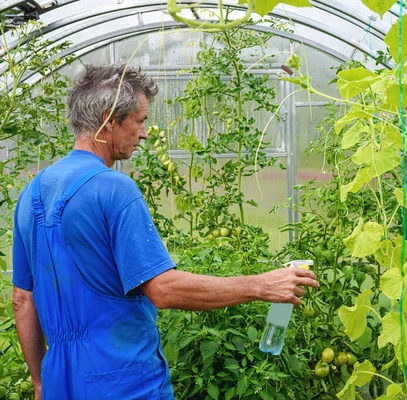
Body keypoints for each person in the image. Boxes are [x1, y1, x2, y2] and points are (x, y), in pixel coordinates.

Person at [11, 64, 319, 400]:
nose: (144, 133)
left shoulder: (32, 193)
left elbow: (22, 300)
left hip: (60, 381)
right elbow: (163, 290)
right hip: (122, 380)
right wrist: (261, 285)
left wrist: (41, 383)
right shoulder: (114, 189)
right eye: (140, 121)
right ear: (108, 120)